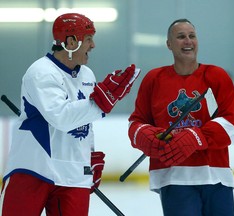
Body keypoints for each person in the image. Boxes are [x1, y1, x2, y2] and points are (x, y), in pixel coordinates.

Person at [0, 13, 140, 215]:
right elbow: (61, 117)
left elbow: (87, 121)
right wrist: (102, 104)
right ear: (71, 41)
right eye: (89, 38)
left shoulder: (86, 74)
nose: (93, 45)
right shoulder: (41, 72)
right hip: (33, 169)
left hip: (73, 173)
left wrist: (89, 154)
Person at [128, 18, 234, 216]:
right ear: (169, 44)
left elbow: (233, 124)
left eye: (192, 36)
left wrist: (196, 137)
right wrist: (147, 136)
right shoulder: (154, 79)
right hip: (174, 178)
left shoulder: (216, 76)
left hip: (216, 175)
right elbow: (136, 123)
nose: (188, 41)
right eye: (181, 37)